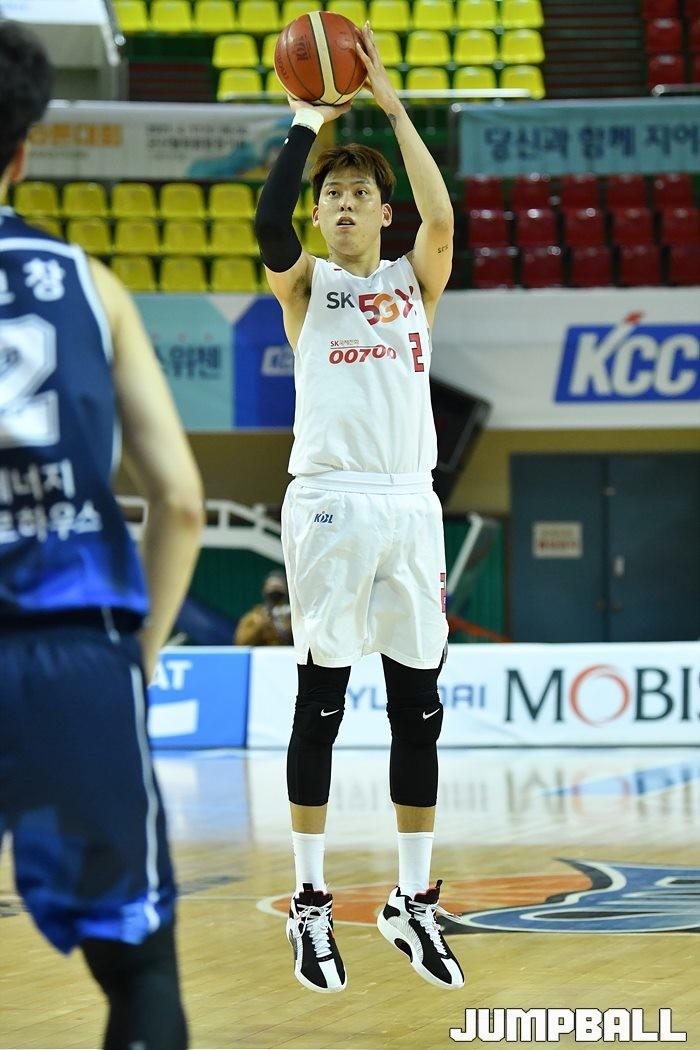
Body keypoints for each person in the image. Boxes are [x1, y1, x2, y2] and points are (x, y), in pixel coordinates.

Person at [0, 22, 204, 1049]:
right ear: (21, 153)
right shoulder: (90, 284)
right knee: (139, 968)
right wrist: (143, 649)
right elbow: (181, 502)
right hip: (71, 651)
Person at [254, 23, 463, 994]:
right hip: (330, 502)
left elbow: (442, 215)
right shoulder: (308, 287)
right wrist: (307, 123)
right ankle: (310, 901)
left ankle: (411, 902)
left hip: (410, 505)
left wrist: (390, 107)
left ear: (383, 213)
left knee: (419, 710)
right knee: (323, 703)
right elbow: (269, 226)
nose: (342, 204)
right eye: (330, 195)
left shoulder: (415, 280)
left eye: (357, 195)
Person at [234, 570, 293, 646]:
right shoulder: (254, 616)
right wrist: (262, 622)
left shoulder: (293, 616)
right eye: (272, 588)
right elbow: (240, 642)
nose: (275, 593)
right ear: (264, 590)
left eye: (279, 588)